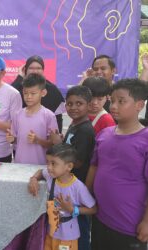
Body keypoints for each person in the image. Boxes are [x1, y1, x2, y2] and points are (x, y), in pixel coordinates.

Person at [86, 79, 148, 250]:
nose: (113, 106)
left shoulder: (145, 140)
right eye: (112, 100)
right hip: (100, 217)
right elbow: (94, 166)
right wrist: (85, 195)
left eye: (121, 101)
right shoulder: (104, 134)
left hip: (129, 225)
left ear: (139, 105)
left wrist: (146, 221)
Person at [50, 85, 95, 250]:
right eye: (70, 104)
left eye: (79, 103)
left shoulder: (85, 131)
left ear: (89, 105)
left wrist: (58, 144)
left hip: (78, 189)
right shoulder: (75, 125)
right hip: (68, 185)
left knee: (80, 230)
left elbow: (78, 162)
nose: (73, 107)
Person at [29, 143, 97, 250]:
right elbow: (41, 172)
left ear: (69, 166)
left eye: (53, 163)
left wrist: (72, 209)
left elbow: (93, 209)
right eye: (48, 162)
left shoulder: (78, 187)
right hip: (50, 232)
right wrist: (33, 179)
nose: (49, 167)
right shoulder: (51, 176)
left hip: (68, 237)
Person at [6, 74, 58, 164]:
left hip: (40, 166)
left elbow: (53, 144)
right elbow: (17, 140)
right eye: (25, 93)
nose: (29, 96)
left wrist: (37, 140)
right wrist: (12, 139)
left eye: (33, 93)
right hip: (19, 164)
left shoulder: (49, 116)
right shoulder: (17, 115)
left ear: (43, 93)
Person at [11, 55, 65, 132]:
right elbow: (10, 96)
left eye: (38, 68)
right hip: (22, 132)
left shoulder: (52, 89)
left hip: (45, 137)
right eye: (31, 68)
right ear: (25, 70)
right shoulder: (20, 85)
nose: (35, 71)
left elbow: (58, 117)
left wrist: (57, 136)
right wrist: (20, 77)